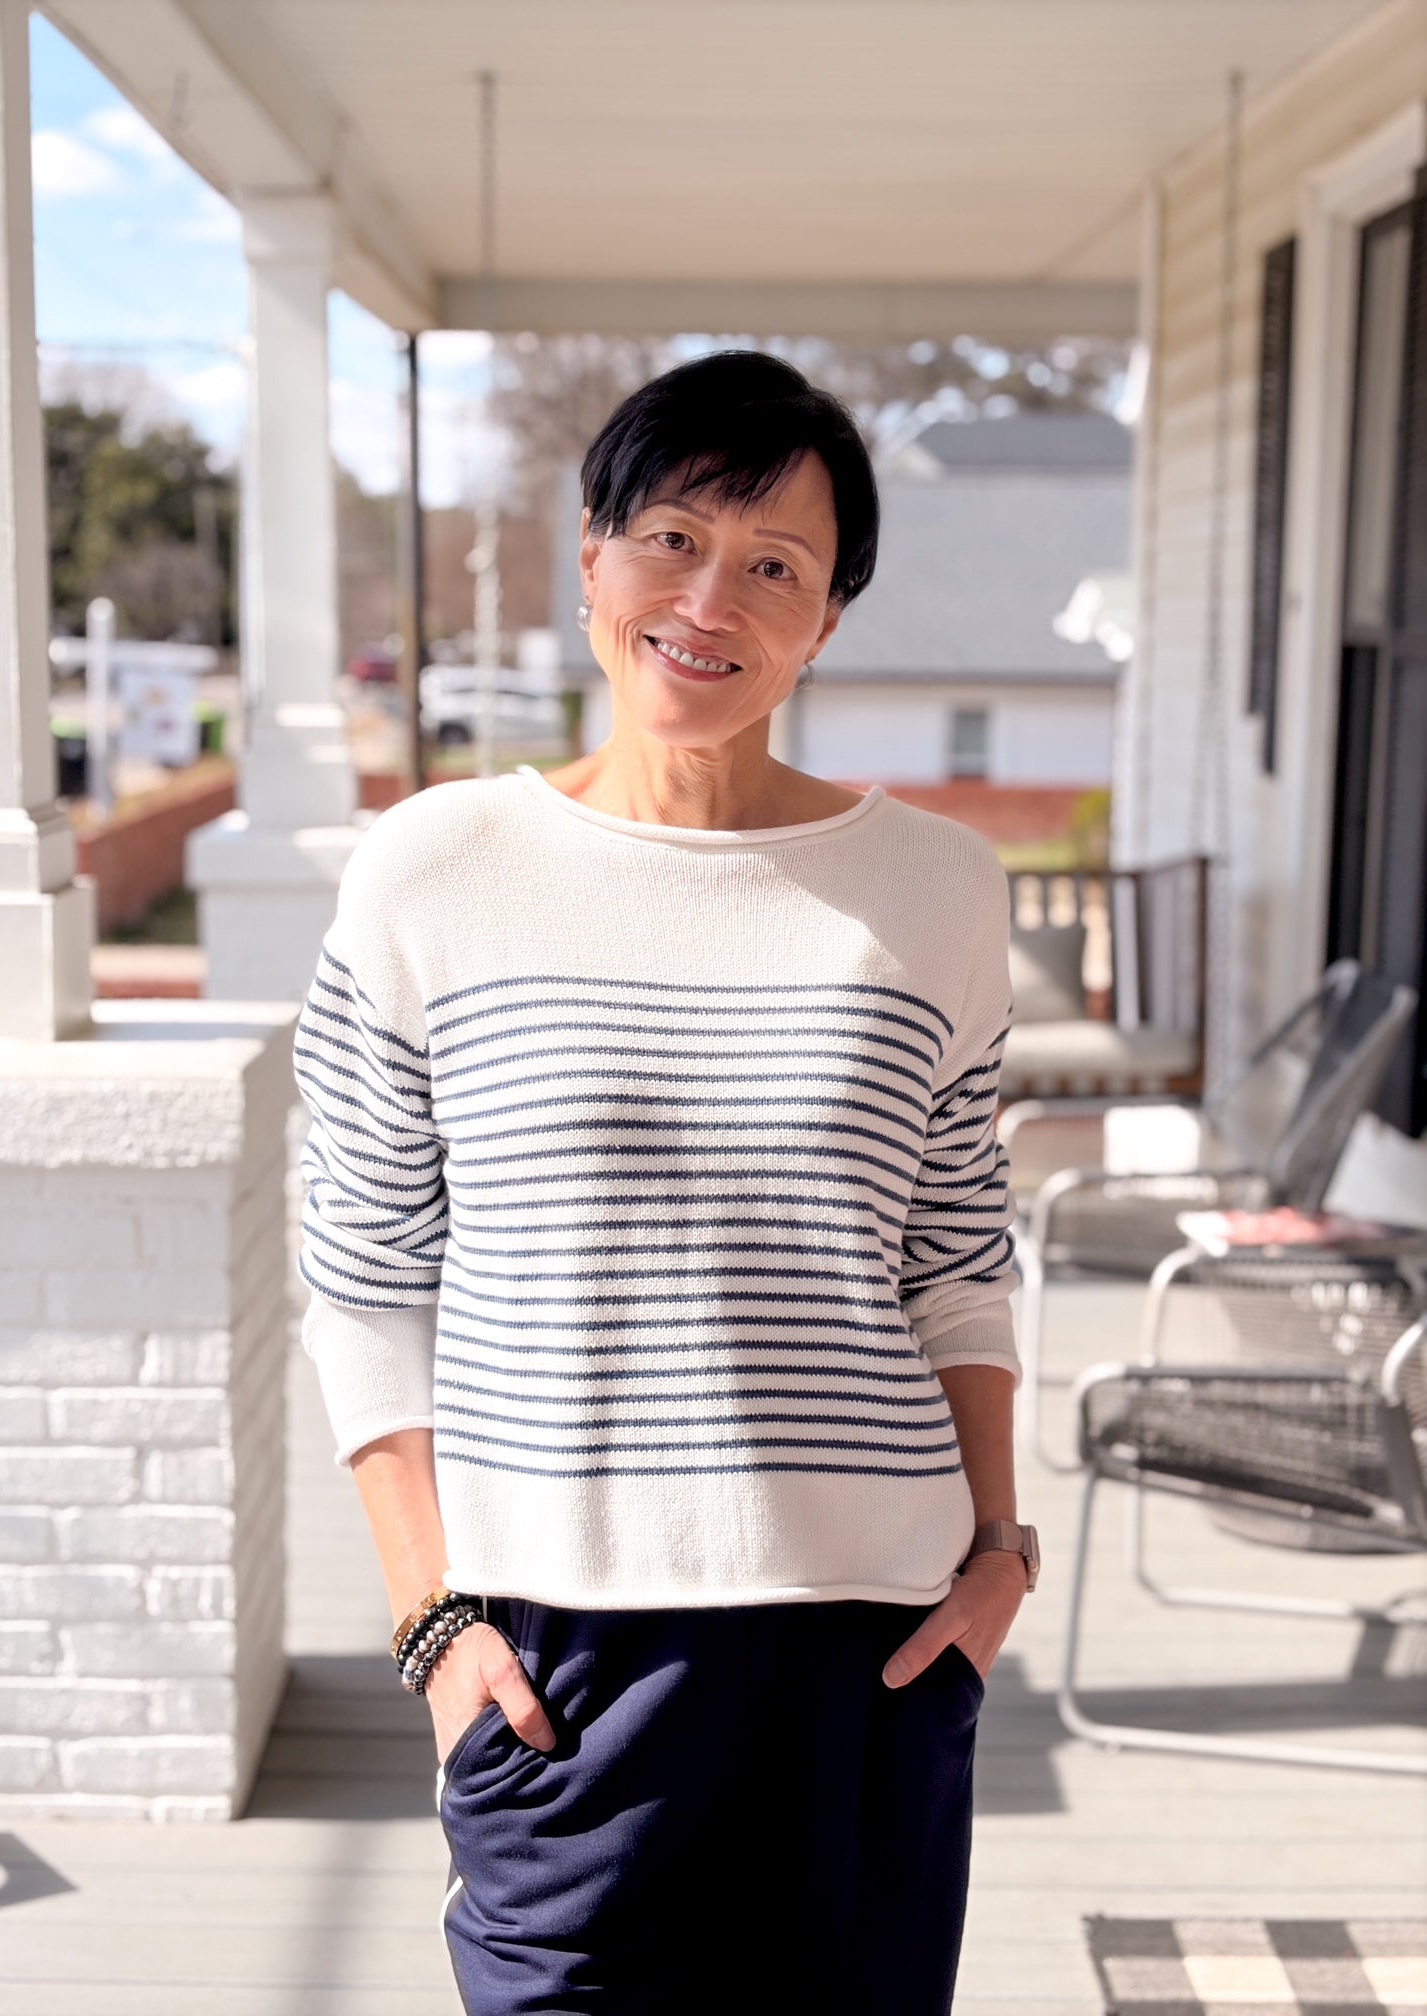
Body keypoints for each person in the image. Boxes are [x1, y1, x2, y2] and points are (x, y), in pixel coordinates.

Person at [292, 349, 1037, 2015]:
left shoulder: (936, 888)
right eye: (674, 540)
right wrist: (432, 1627)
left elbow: (955, 1256)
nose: (710, 601)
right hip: (557, 1659)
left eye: (775, 566)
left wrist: (998, 1552)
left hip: (876, 1640)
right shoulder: (434, 869)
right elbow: (362, 1273)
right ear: (592, 557)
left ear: (826, 620)